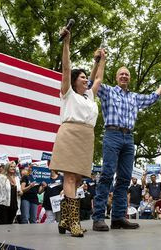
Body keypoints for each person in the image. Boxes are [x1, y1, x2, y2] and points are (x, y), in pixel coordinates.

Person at [91, 67, 161, 231]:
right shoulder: (108, 91)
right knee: (106, 175)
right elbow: (92, 83)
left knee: (124, 179)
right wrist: (98, 62)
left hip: (129, 138)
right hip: (112, 134)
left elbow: (152, 98)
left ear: (130, 78)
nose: (124, 76)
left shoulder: (134, 97)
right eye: (121, 74)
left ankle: (118, 217)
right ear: (116, 77)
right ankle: (98, 217)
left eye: (127, 74)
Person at [49, 27, 106, 237]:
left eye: (85, 77)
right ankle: (73, 222)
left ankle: (64, 219)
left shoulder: (89, 96)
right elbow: (66, 68)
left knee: (78, 180)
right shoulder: (68, 93)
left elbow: (98, 78)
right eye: (81, 77)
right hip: (70, 134)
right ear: (74, 81)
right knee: (70, 178)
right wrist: (66, 43)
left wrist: (102, 59)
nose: (85, 79)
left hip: (86, 137)